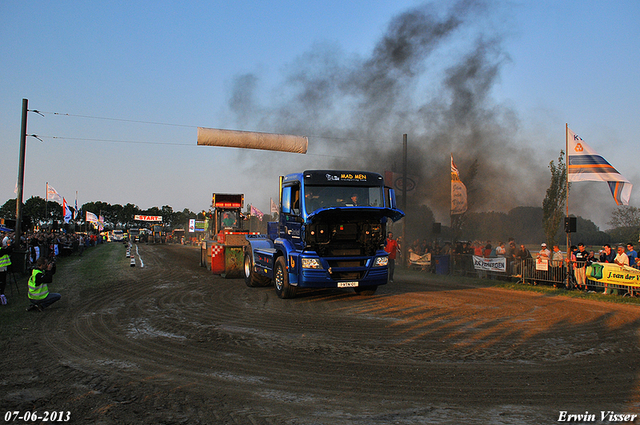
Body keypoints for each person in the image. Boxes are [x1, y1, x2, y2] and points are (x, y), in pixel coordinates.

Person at [0, 239, 12, 305]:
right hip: (2, 269)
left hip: (2, 268)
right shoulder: (1, 251)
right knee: (2, 282)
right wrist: (9, 244)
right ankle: (2, 295)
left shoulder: (2, 250)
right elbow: (9, 250)